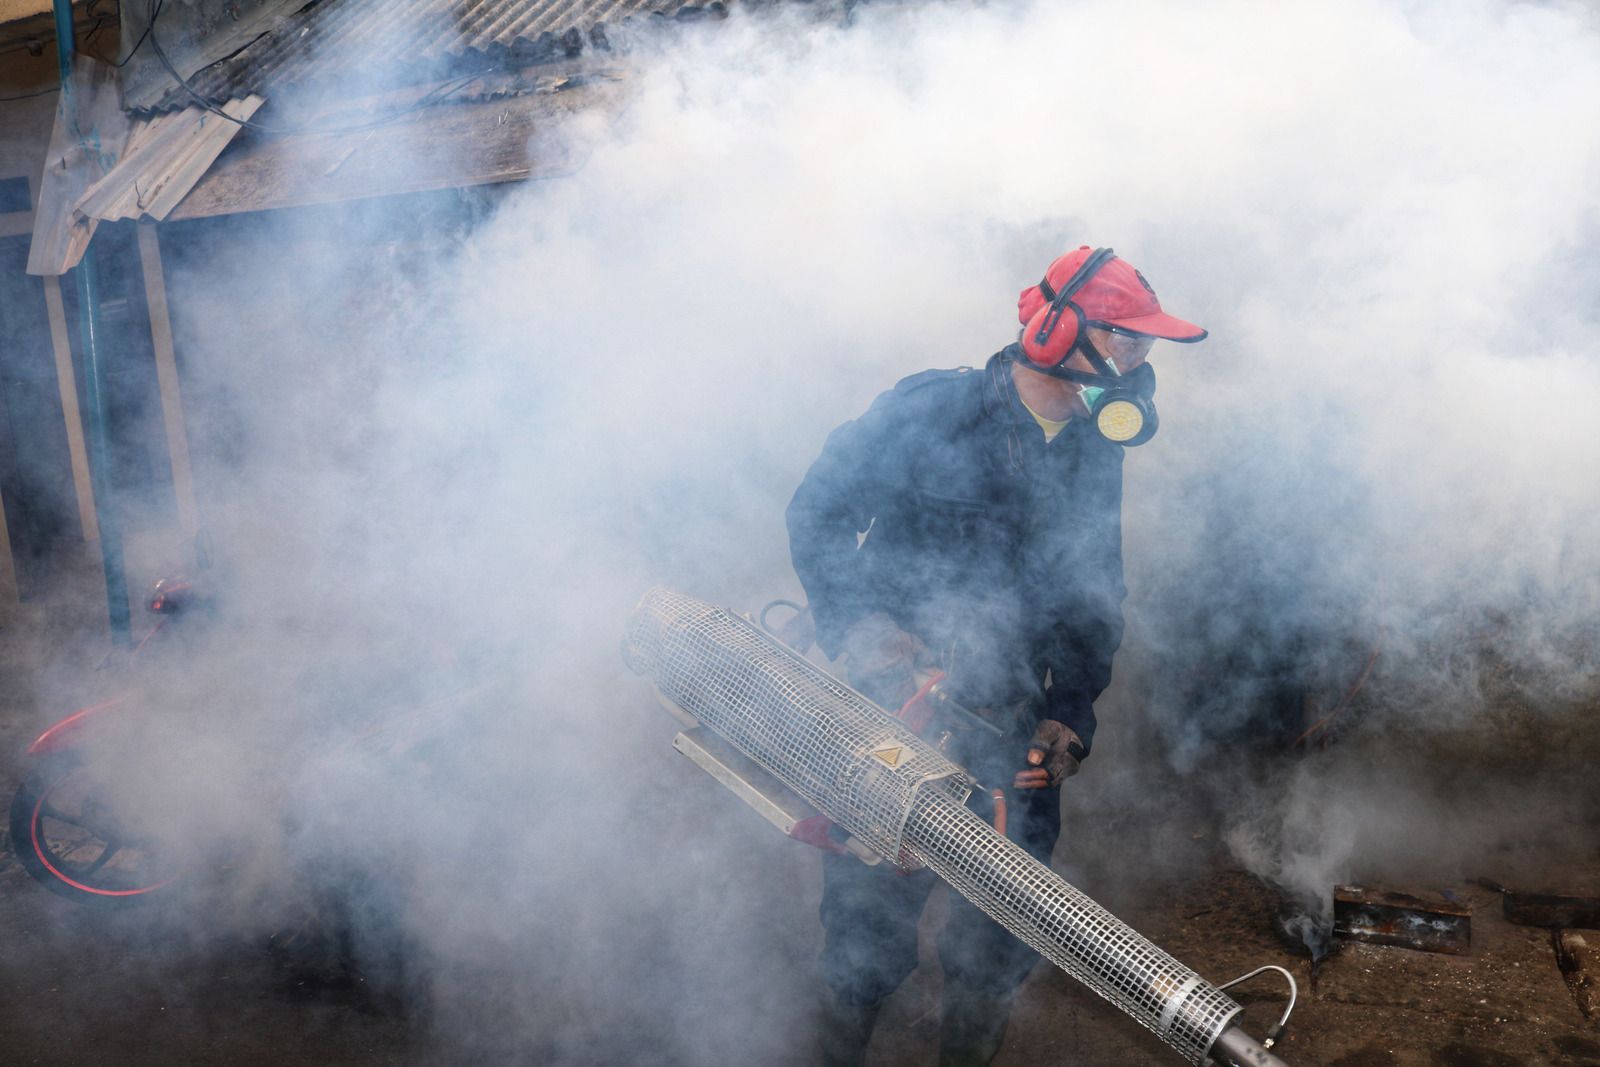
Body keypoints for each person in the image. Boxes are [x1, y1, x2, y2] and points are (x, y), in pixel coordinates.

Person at [785, 247, 1207, 1066]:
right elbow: (817, 512)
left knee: (1000, 938)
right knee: (867, 939)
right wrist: (862, 629)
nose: (1136, 366)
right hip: (892, 716)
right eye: (1126, 343)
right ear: (1054, 331)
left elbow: (1096, 593)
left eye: (1144, 351)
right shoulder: (929, 411)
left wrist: (1070, 710)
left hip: (1010, 730)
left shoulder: (1094, 445)